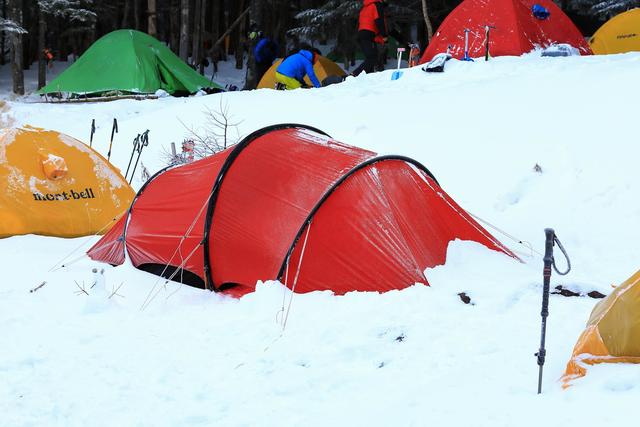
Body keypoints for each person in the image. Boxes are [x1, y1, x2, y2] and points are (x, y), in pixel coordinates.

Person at [352, 0, 389, 76]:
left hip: (362, 34)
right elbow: (379, 21)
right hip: (368, 34)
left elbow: (362, 23)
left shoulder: (365, 7)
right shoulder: (377, 5)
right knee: (372, 57)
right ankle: (354, 75)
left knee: (371, 57)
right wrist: (384, 36)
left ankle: (369, 77)